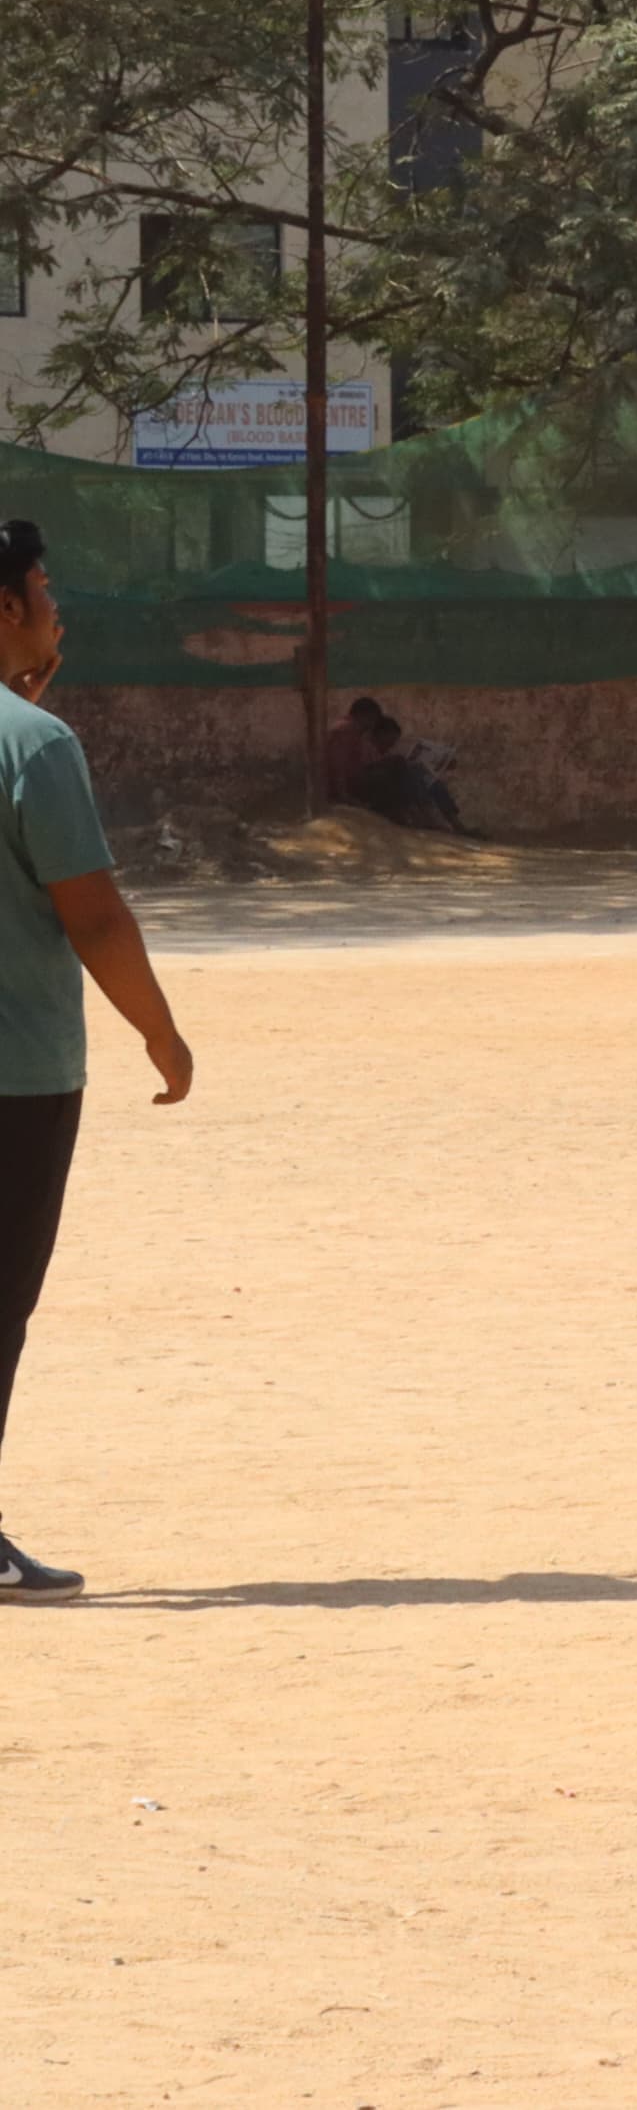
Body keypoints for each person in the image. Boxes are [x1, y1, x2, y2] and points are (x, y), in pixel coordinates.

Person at [0, 518, 196, 1602]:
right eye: (44, 588)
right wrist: (159, 1030)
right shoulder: (33, 744)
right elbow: (96, 915)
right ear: (6, 608)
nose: (57, 609)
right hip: (15, 1075)